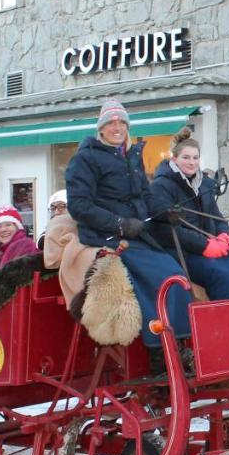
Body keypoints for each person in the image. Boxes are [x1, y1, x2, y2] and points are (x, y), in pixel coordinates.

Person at [66, 98, 191, 357]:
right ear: (101, 128)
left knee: (177, 271)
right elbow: (79, 206)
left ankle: (180, 342)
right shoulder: (85, 159)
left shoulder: (131, 156)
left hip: (138, 234)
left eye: (121, 122)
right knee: (165, 276)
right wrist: (119, 223)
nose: (117, 127)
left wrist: (164, 211)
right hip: (107, 236)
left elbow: (146, 197)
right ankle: (160, 352)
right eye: (111, 122)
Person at [150, 127, 229, 300]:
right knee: (223, 276)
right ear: (174, 159)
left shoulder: (204, 185)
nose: (191, 162)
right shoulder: (161, 186)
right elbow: (166, 229)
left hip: (212, 247)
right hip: (184, 252)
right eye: (186, 157)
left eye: (195, 158)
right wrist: (204, 245)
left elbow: (217, 217)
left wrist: (224, 236)